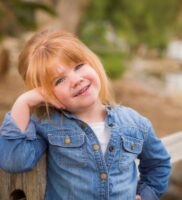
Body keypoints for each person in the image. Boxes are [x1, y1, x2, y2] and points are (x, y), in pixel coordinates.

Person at [0, 30, 171, 200]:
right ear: (44, 92)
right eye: (59, 80)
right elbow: (14, 160)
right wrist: (24, 101)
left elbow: (159, 163)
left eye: (78, 66)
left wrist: (147, 195)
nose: (76, 79)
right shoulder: (48, 125)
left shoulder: (134, 123)